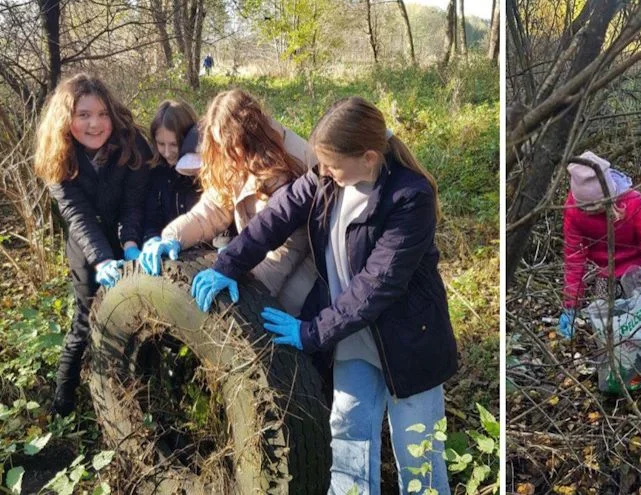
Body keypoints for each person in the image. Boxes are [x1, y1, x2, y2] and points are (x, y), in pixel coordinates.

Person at [190, 96, 457, 494]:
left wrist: (311, 332)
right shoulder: (326, 178)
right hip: (352, 340)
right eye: (323, 164)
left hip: (409, 343)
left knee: (418, 456)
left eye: (332, 164)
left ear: (368, 158)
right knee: (349, 438)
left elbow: (376, 284)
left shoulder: (409, 197)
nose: (324, 172)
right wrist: (228, 263)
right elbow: (276, 218)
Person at [139, 89, 318, 318]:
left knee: (278, 321)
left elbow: (291, 244)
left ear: (251, 136)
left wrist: (251, 285)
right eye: (219, 144)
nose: (225, 153)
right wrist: (173, 236)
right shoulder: (230, 154)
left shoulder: (291, 162)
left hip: (309, 262)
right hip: (256, 248)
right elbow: (212, 209)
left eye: (230, 146)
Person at [33, 73, 152, 416]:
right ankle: (63, 403)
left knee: (140, 315)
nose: (95, 124)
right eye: (83, 115)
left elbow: (134, 202)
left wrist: (130, 244)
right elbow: (78, 215)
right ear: (67, 120)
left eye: (101, 114)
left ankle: (137, 386)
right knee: (85, 322)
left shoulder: (132, 143)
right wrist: (101, 260)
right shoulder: (58, 156)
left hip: (127, 238)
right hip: (86, 248)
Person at [559, 151, 641, 338]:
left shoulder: (632, 201)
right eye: (590, 210)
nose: (596, 213)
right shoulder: (573, 213)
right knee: (609, 325)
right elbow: (574, 259)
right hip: (605, 272)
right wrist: (571, 305)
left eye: (600, 208)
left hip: (638, 268)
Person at [143, 100, 201, 242]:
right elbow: (151, 218)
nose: (167, 153)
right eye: (161, 144)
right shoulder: (155, 172)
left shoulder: (204, 171)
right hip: (169, 249)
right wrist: (152, 239)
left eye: (174, 144)